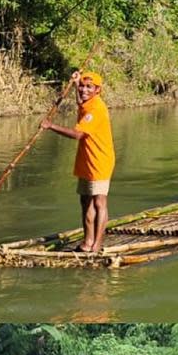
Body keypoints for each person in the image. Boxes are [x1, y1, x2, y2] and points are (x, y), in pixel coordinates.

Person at [40, 70, 114, 254]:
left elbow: (78, 134)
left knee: (99, 202)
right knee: (85, 201)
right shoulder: (88, 104)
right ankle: (87, 241)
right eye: (83, 86)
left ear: (98, 90)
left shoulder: (96, 108)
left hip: (99, 160)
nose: (84, 90)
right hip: (85, 159)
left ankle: (96, 245)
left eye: (89, 87)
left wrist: (51, 126)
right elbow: (80, 103)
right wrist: (75, 84)